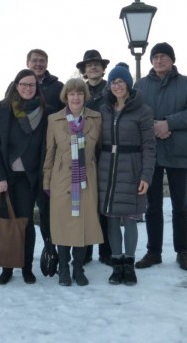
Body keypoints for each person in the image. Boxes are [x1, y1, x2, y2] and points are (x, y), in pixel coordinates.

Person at [133, 42, 187, 271]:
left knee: (180, 205)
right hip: (150, 153)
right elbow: (134, 113)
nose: (159, 60)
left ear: (172, 60)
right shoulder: (140, 85)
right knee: (152, 205)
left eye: (163, 56)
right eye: (156, 56)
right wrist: (153, 126)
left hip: (179, 151)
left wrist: (168, 123)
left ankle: (183, 252)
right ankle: (154, 251)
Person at [0, 69, 54, 285]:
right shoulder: (3, 110)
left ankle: (26, 267)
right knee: (6, 221)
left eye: (31, 85)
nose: (27, 88)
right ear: (16, 85)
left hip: (30, 177)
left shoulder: (46, 112)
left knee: (25, 223)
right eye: (23, 84)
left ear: (37, 87)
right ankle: (7, 267)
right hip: (5, 176)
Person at [98, 63, 156, 286]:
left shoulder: (142, 111)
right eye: (113, 81)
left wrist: (146, 176)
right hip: (107, 169)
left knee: (130, 219)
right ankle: (117, 263)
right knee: (112, 219)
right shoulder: (103, 109)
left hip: (131, 168)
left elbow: (149, 146)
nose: (117, 85)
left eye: (121, 81)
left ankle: (129, 264)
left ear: (128, 84)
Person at [43, 78, 103, 286]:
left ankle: (78, 267)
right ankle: (63, 268)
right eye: (71, 94)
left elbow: (100, 149)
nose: (76, 97)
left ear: (84, 96)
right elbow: (50, 152)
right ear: (66, 97)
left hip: (87, 179)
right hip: (62, 179)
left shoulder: (96, 118)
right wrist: (47, 180)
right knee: (62, 224)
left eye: (79, 93)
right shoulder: (54, 120)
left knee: (82, 222)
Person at [76, 49, 113, 266]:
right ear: (84, 70)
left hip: (107, 151)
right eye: (89, 65)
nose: (93, 67)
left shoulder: (113, 89)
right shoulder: (78, 92)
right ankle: (85, 250)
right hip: (83, 151)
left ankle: (106, 250)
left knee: (104, 202)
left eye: (96, 64)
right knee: (85, 202)